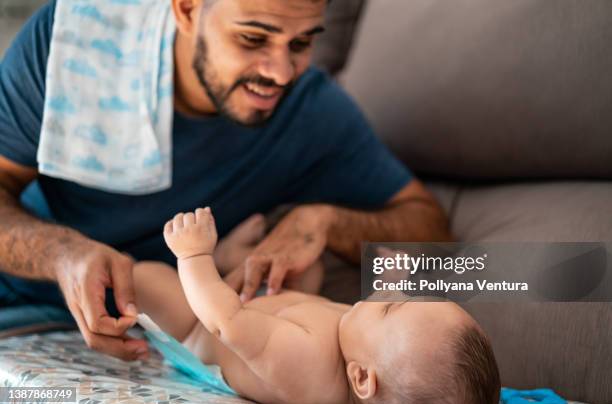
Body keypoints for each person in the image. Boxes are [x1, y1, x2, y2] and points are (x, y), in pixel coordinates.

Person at [0, 0, 451, 361]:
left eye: (301, 43)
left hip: (161, 342)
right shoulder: (71, 45)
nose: (280, 73)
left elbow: (432, 231)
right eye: (253, 38)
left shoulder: (311, 113)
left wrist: (324, 223)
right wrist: (64, 257)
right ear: (187, 10)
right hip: (19, 303)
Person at [131, 207, 500, 404]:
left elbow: (227, 322)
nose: (390, 296)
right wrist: (393, 282)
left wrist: (194, 256)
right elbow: (399, 330)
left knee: (147, 278)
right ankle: (230, 261)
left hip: (201, 328)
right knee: (309, 268)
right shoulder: (367, 347)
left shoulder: (307, 367)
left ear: (361, 379)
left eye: (391, 307)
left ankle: (216, 262)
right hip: (270, 306)